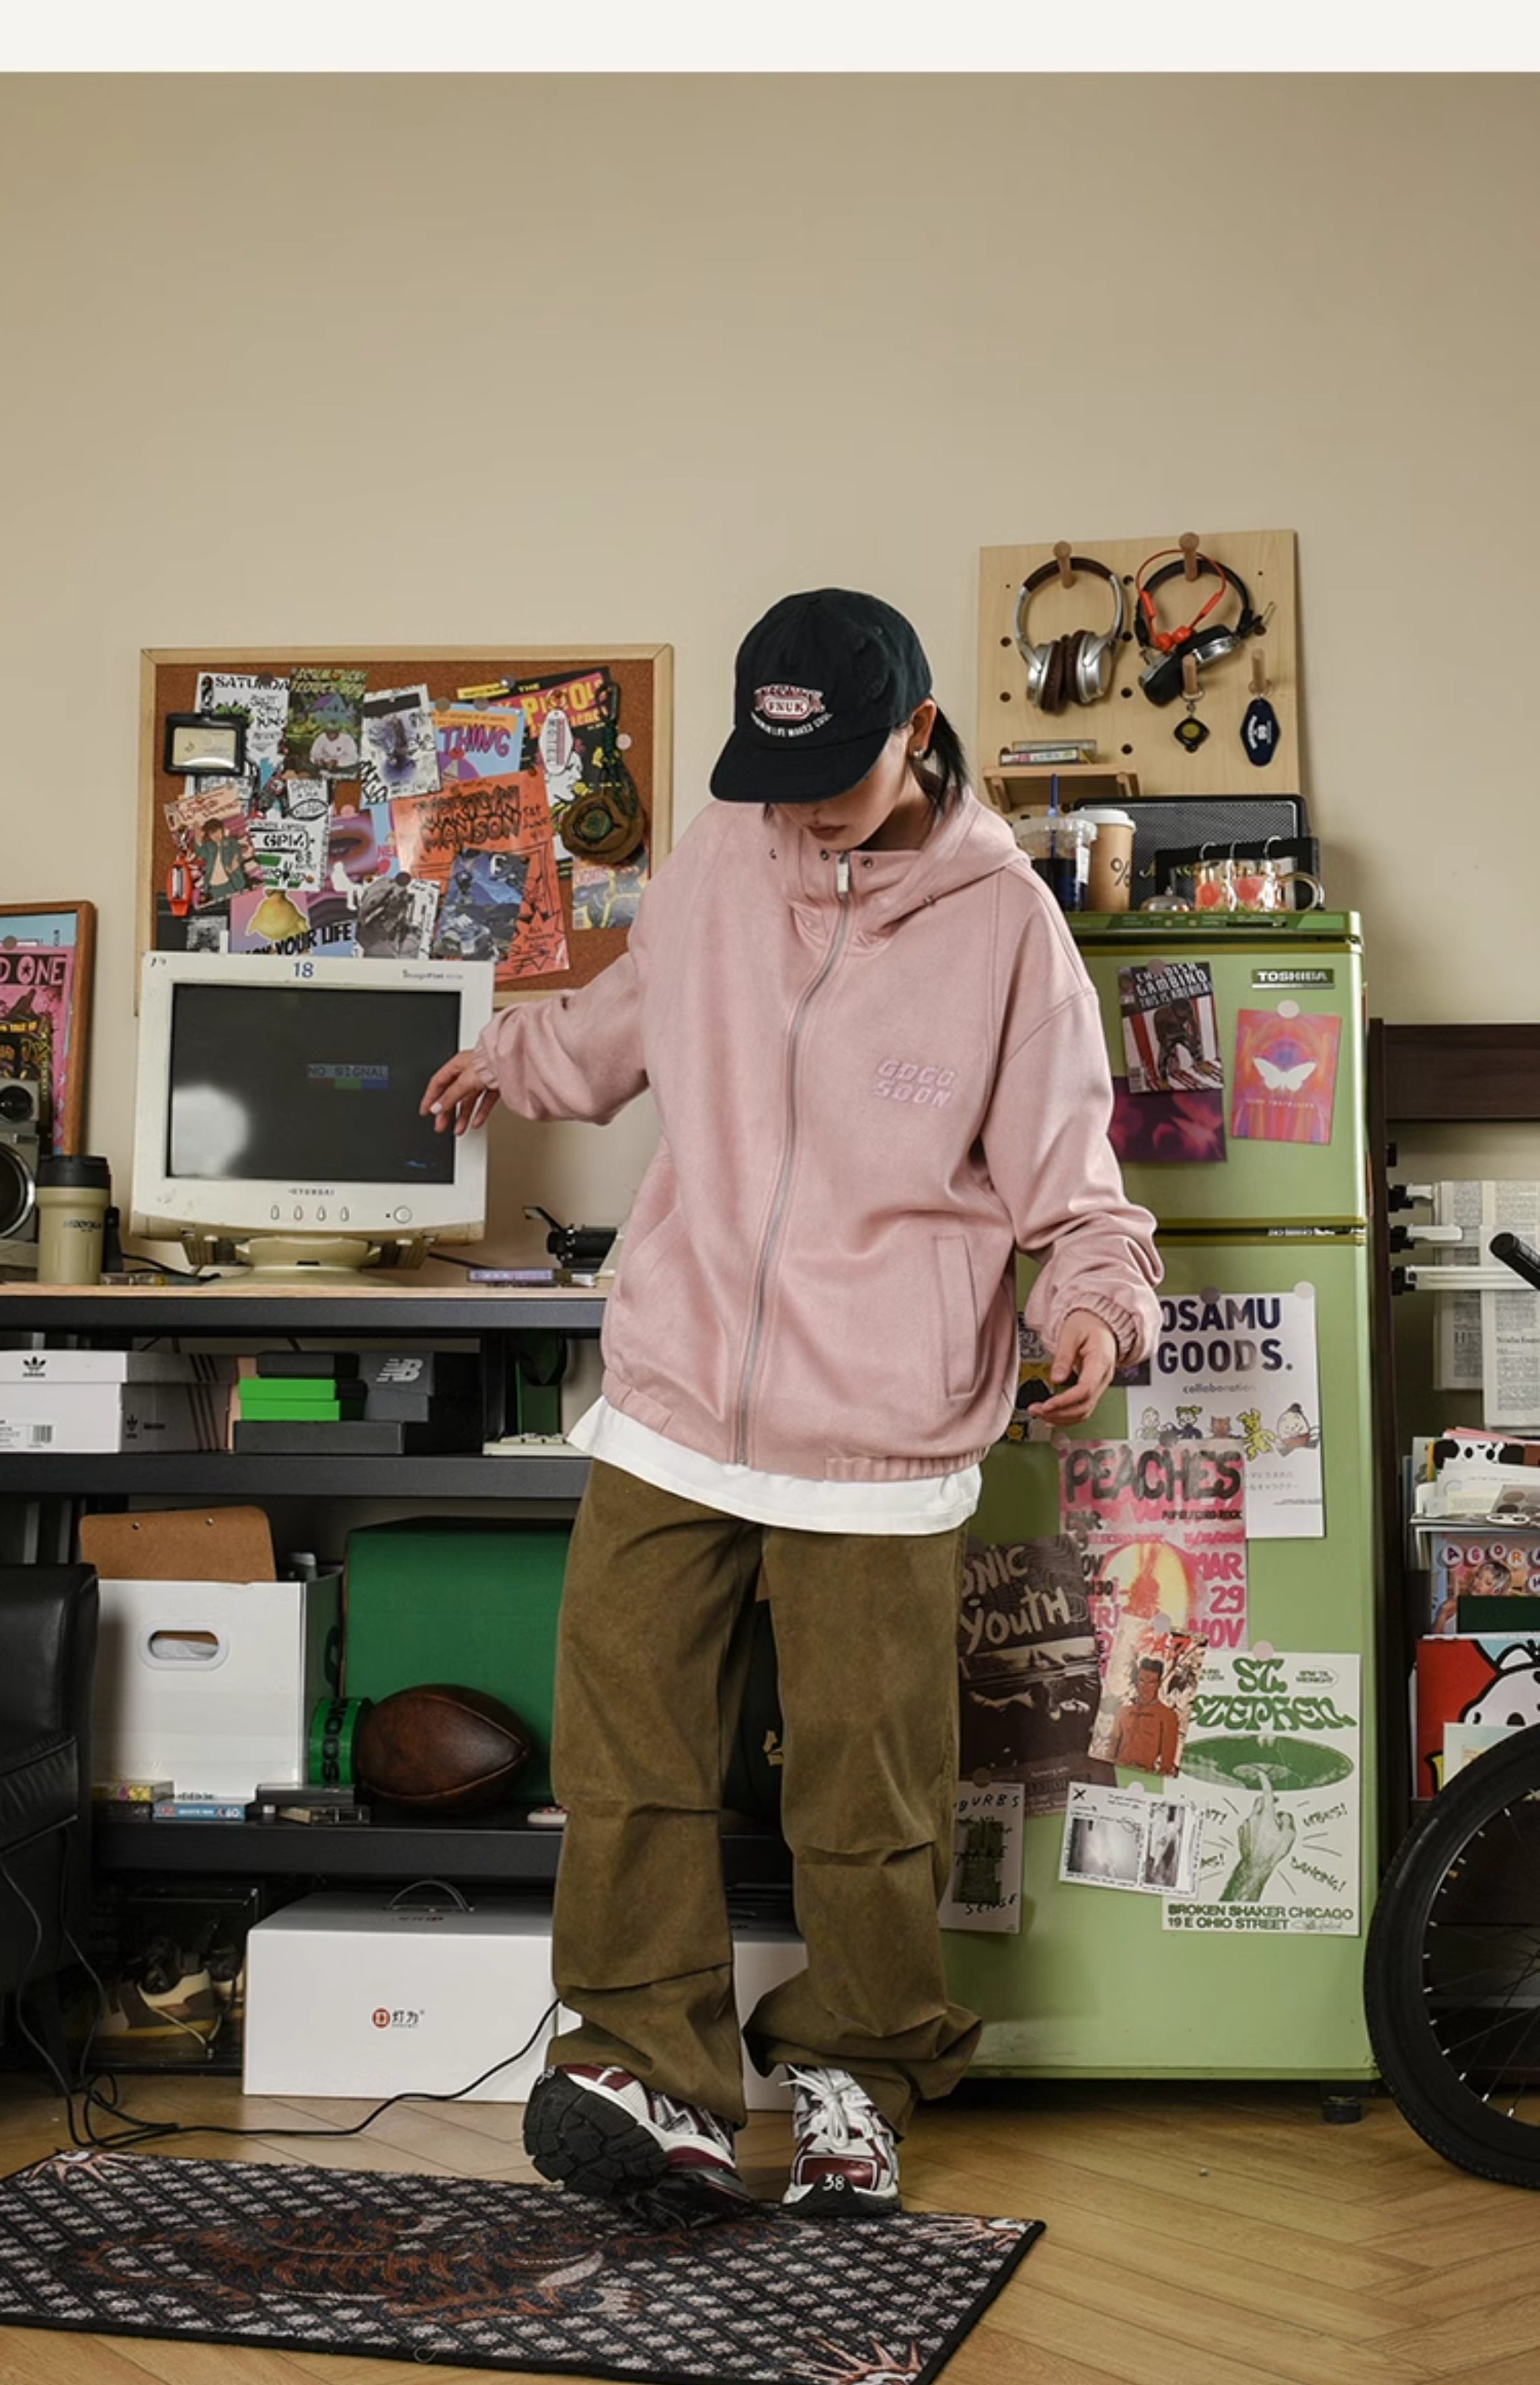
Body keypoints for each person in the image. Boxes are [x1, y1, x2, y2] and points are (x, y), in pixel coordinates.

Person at [421, 588, 1161, 2224]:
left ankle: (857, 2068)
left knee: (865, 1796)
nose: (800, 813)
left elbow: (1076, 1182)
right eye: (775, 779)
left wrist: (1094, 1305)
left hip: (882, 1432)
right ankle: (651, 2071)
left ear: (917, 733)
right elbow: (630, 1015)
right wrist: (514, 1058)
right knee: (626, 1753)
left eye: (832, 777)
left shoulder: (1006, 927)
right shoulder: (719, 859)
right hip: (679, 1392)